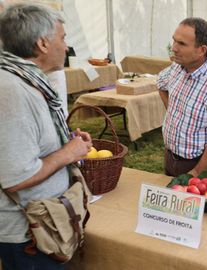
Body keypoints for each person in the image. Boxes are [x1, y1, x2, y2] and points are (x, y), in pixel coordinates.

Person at [0, 4, 92, 270]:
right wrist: (68, 153)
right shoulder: (12, 91)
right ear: (42, 43)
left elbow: (25, 143)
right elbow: (17, 176)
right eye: (62, 38)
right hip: (26, 235)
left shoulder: (24, 80)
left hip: (39, 226)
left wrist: (65, 141)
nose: (66, 46)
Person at [157, 17, 207, 177]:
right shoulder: (177, 67)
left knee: (200, 202)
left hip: (201, 165)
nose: (174, 48)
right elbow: (160, 84)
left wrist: (196, 172)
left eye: (182, 44)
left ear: (201, 49)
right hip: (171, 158)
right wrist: (174, 112)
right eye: (174, 41)